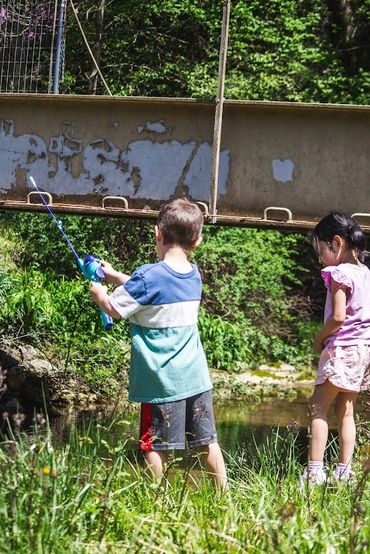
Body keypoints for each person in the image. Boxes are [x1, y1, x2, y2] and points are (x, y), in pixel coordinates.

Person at [90, 198, 227, 489]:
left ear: (158, 234)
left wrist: (99, 291)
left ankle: (155, 501)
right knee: (207, 442)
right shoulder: (194, 275)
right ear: (198, 241)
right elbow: (153, 292)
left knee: (154, 445)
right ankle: (224, 497)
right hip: (195, 379)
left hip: (162, 383)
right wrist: (117, 276)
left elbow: (115, 308)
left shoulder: (148, 276)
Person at [302, 211, 370, 486]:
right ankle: (344, 471)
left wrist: (319, 338)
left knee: (316, 408)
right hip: (363, 350)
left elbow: (338, 317)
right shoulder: (365, 272)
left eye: (321, 251)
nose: (320, 259)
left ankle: (315, 473)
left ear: (337, 243)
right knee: (346, 411)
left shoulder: (338, 273)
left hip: (340, 349)